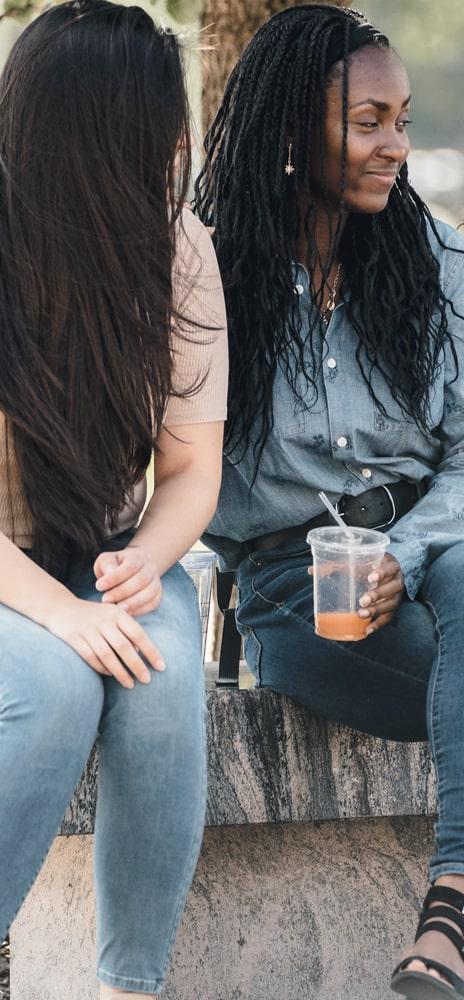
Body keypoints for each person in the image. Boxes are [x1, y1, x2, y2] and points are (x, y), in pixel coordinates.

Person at [195, 6, 464, 999]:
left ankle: (448, 922)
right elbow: (177, 469)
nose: (396, 144)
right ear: (290, 128)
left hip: (435, 561)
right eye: (368, 120)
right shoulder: (207, 268)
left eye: (403, 118)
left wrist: (411, 554)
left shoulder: (426, 255)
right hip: (288, 586)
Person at [0, 2, 227, 997]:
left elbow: (188, 468)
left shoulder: (176, 251)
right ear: (87, 136)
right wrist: (60, 615)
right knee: (51, 689)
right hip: (13, 573)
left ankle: (127, 988)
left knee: (164, 671)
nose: (180, 143)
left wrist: (143, 558)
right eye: (157, 123)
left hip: (100, 550)